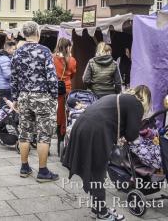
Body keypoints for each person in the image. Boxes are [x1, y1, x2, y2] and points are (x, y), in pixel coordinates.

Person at [62, 85, 151, 221]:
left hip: (82, 126)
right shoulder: (136, 104)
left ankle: (98, 207)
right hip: (95, 131)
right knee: (98, 172)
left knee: (94, 171)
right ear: (146, 99)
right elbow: (132, 134)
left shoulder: (121, 97)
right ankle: (102, 213)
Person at [10, 21, 59, 182]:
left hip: (24, 96)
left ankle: (24, 167)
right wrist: (54, 96)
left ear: (24, 34)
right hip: (43, 97)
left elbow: (14, 78)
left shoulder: (17, 53)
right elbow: (52, 77)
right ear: (38, 33)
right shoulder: (44, 51)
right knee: (44, 134)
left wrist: (15, 98)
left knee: (24, 132)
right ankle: (43, 171)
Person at [53, 38, 77, 153]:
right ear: (68, 47)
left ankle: (51, 142)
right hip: (66, 90)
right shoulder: (71, 60)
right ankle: (61, 142)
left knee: (54, 115)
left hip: (53, 90)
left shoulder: (53, 58)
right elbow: (72, 74)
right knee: (64, 116)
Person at [0, 41, 16, 110]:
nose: (15, 51)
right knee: (6, 107)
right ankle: (1, 119)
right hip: (4, 87)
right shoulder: (5, 59)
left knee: (2, 105)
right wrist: (15, 73)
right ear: (8, 49)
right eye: (13, 49)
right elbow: (7, 75)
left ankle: (0, 118)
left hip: (0, 85)